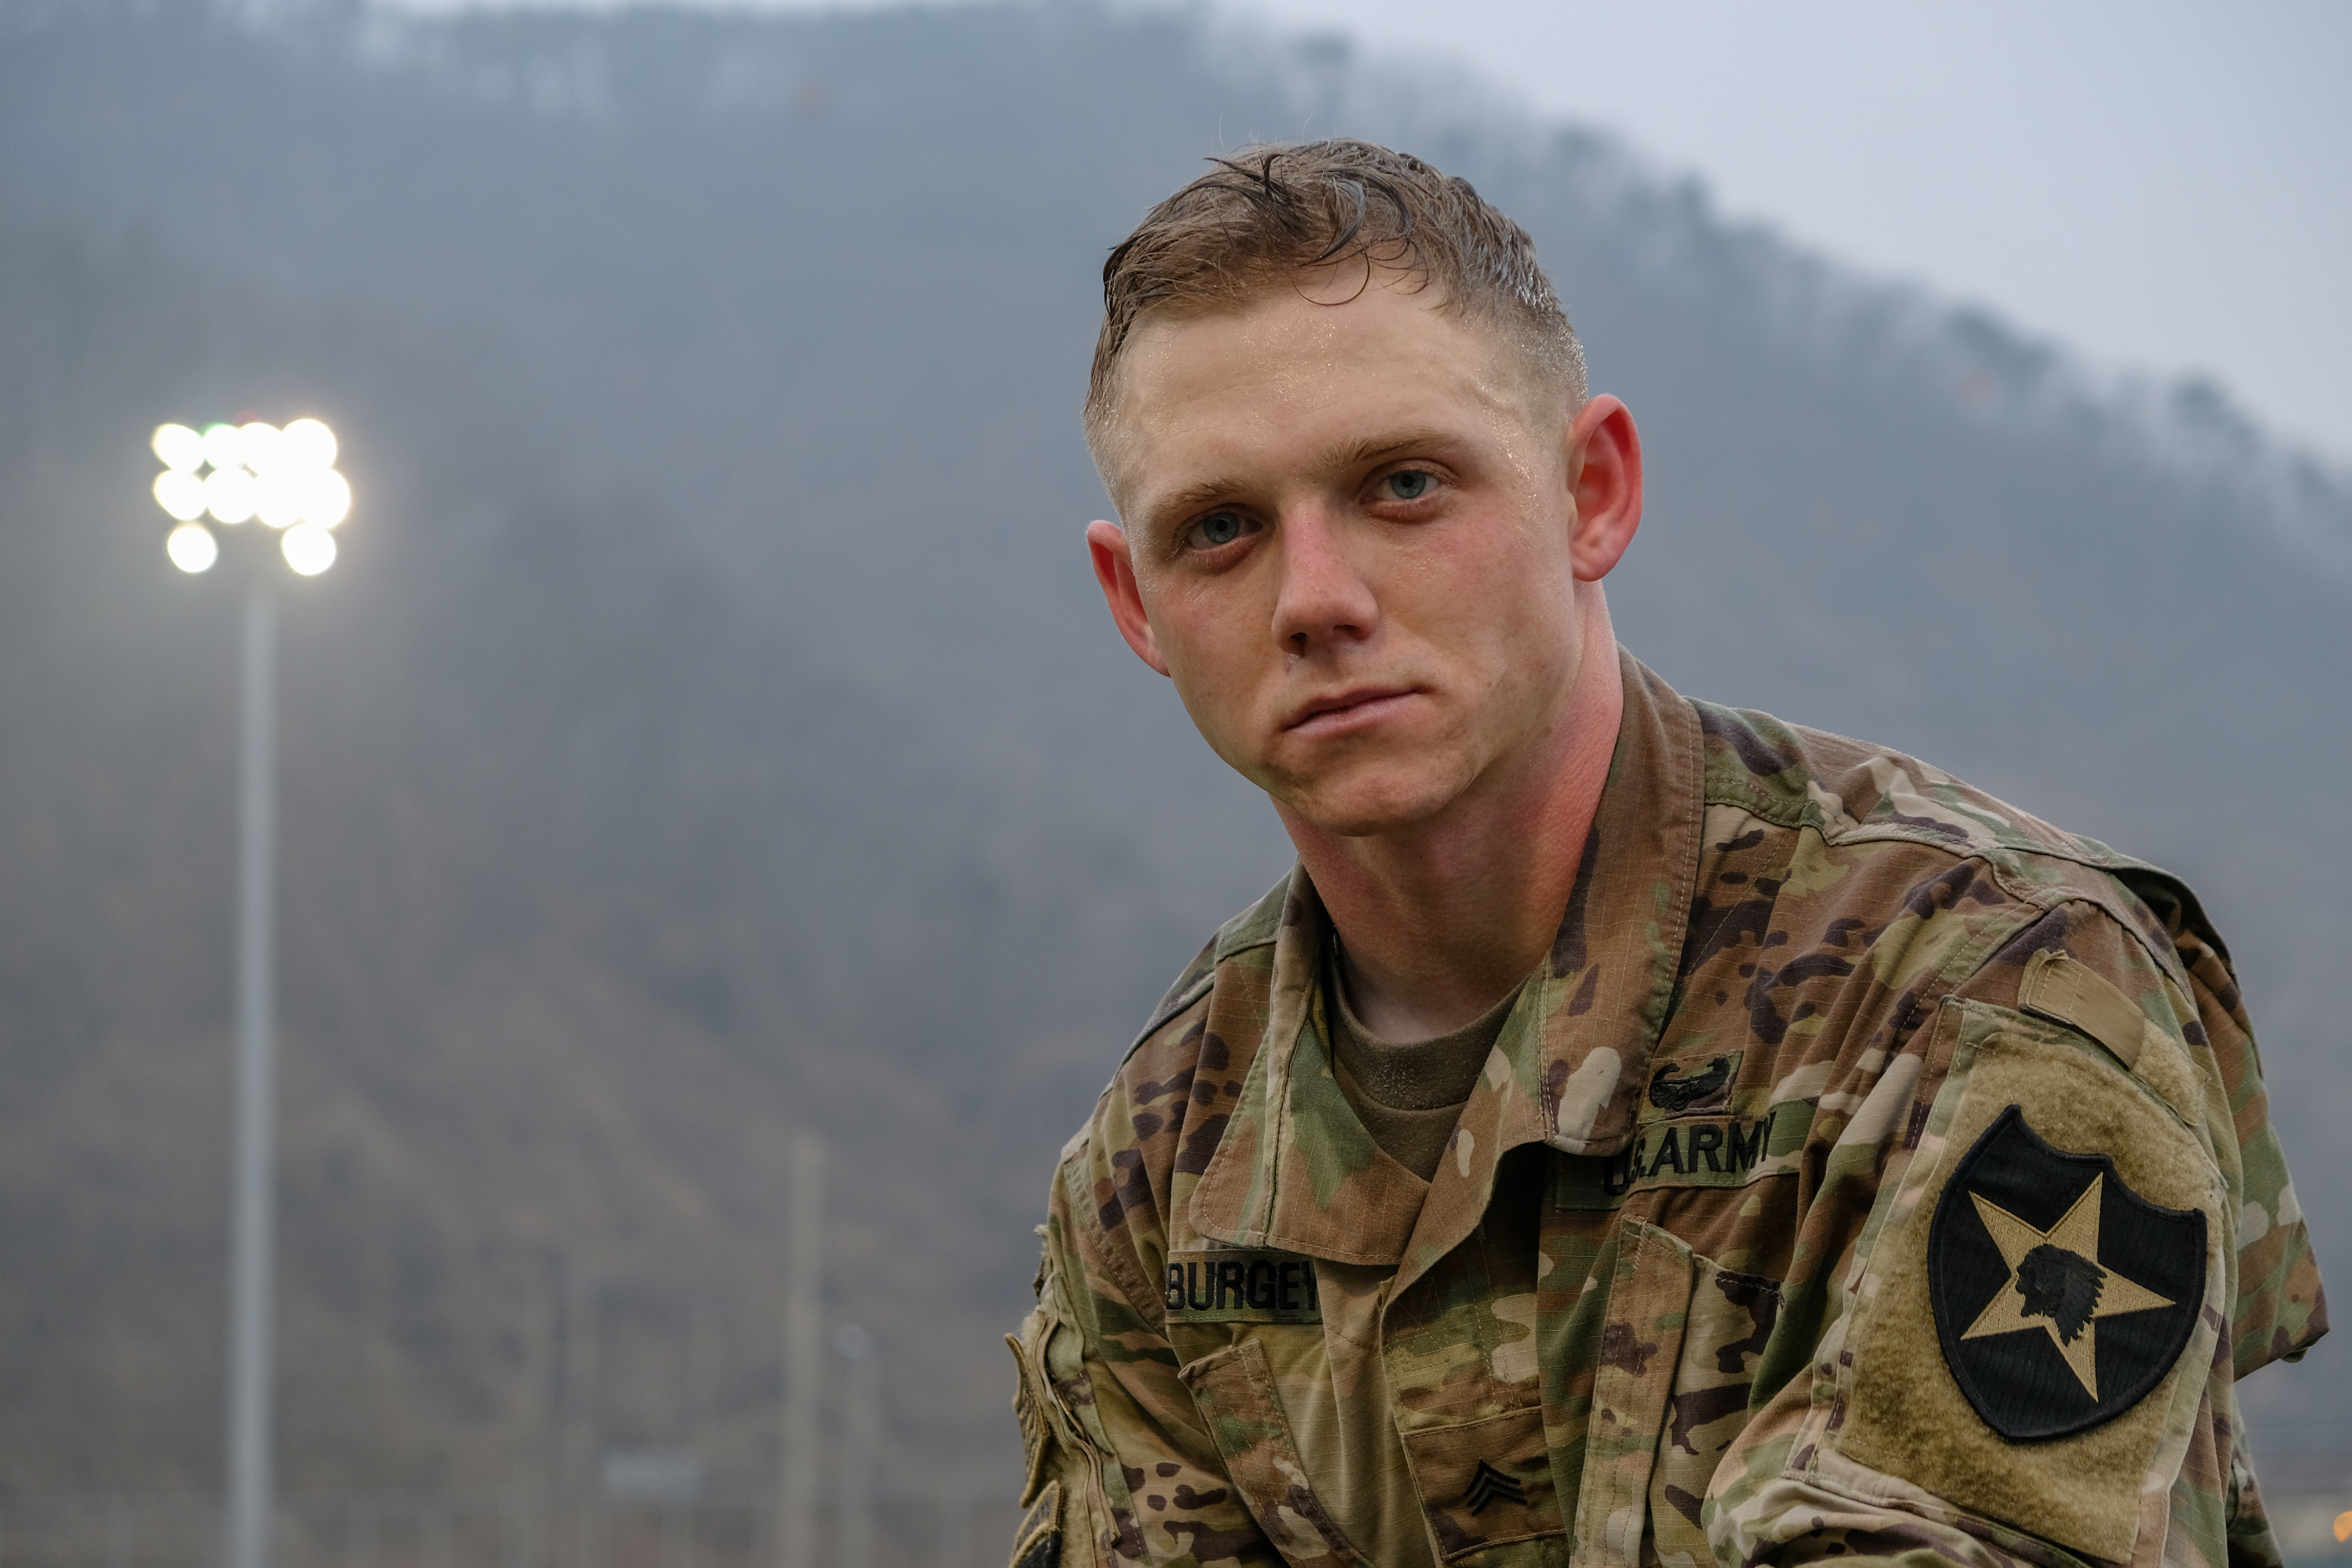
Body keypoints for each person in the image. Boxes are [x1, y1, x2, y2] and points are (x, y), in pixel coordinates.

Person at [1005, 139, 2324, 1568]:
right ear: (1136, 605)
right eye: (1220, 530)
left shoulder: (1977, 979)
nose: (1317, 599)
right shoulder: (1164, 1166)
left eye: (1403, 486)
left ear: (1592, 496)